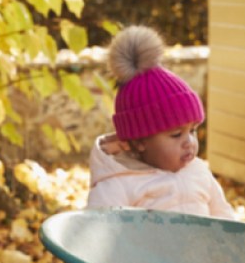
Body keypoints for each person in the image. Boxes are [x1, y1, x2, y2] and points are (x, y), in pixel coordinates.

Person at [87, 25, 236, 219]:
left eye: (192, 130)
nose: (189, 142)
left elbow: (226, 221)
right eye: (176, 134)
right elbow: (98, 234)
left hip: (201, 250)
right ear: (140, 141)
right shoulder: (119, 185)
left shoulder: (199, 173)